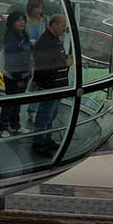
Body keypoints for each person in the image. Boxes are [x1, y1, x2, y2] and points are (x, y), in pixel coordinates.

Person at [32, 14, 73, 156]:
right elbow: (45, 65)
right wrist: (64, 63)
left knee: (51, 115)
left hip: (57, 86)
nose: (64, 28)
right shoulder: (45, 42)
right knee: (45, 116)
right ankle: (38, 143)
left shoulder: (54, 40)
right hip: (50, 86)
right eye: (62, 25)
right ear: (54, 25)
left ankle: (46, 139)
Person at [0, 11, 32, 137]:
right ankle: (3, 128)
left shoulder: (24, 35)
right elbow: (10, 60)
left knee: (17, 103)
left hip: (24, 74)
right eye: (18, 20)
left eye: (23, 20)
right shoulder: (11, 38)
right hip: (14, 76)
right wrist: (18, 77)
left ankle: (15, 126)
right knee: (9, 103)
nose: (22, 22)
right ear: (12, 23)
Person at [24, 0, 48, 123]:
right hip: (26, 55)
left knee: (36, 83)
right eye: (37, 8)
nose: (39, 11)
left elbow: (44, 35)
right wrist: (34, 42)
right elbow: (23, 38)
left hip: (38, 56)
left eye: (41, 8)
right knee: (25, 80)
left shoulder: (42, 20)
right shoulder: (25, 20)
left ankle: (32, 110)